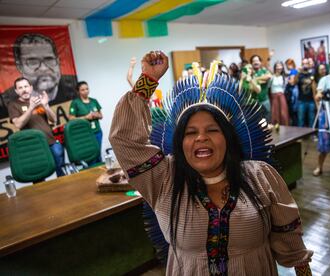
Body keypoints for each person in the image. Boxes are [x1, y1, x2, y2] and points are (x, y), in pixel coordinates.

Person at [109, 50, 313, 275]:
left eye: (212, 130)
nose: (201, 138)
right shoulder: (163, 178)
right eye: (190, 132)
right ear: (180, 142)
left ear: (228, 138)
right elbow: (124, 139)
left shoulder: (261, 176)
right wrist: (147, 81)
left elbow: (291, 243)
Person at [0, 33, 77, 119]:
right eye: (33, 62)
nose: (43, 68)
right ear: (19, 66)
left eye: (49, 59)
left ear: (58, 61)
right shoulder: (5, 102)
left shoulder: (74, 87)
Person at [8, 77, 65, 177]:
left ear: (31, 87)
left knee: (61, 171)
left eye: (26, 86)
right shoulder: (13, 105)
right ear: (16, 91)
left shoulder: (39, 100)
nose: (24, 89)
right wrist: (31, 108)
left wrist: (46, 106)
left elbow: (54, 120)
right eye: (20, 88)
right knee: (39, 176)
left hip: (51, 141)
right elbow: (18, 124)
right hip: (33, 146)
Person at [69, 81, 103, 163]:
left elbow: (101, 115)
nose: (86, 91)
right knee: (91, 156)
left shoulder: (94, 101)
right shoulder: (75, 103)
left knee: (98, 154)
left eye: (87, 89)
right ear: (78, 91)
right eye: (83, 90)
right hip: (85, 134)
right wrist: (85, 117)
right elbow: (71, 119)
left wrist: (96, 115)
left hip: (97, 132)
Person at [250, 55, 273, 121]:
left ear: (260, 62)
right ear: (251, 63)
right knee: (256, 123)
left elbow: (268, 76)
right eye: (254, 61)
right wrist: (262, 79)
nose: (256, 62)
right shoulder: (250, 72)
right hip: (254, 103)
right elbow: (249, 84)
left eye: (257, 61)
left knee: (267, 121)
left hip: (265, 101)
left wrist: (255, 79)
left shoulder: (264, 70)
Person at [294, 58, 316, 127]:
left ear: (309, 65)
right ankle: (301, 136)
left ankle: (312, 136)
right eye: (303, 63)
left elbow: (314, 88)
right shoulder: (299, 74)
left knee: (312, 120)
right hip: (301, 101)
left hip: (311, 101)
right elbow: (294, 83)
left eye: (306, 63)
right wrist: (297, 72)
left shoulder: (312, 74)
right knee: (301, 120)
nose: (305, 65)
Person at [269, 61, 289, 125]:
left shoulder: (284, 77)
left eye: (280, 66)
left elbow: (285, 87)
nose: (279, 67)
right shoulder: (271, 77)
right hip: (274, 96)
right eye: (277, 66)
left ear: (283, 67)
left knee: (283, 113)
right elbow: (268, 86)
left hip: (281, 96)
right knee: (275, 113)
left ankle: (285, 128)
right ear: (275, 67)